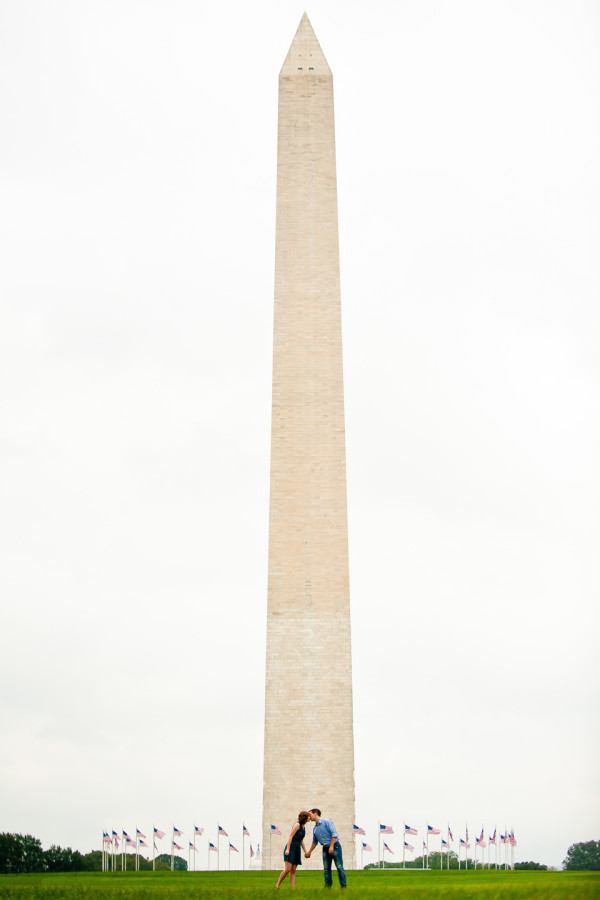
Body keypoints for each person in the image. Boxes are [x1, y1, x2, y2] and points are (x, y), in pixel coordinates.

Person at [305, 808, 347, 888]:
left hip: (335, 846)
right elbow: (314, 842)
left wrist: (331, 846)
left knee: (339, 867)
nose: (309, 817)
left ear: (315, 814)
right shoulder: (315, 828)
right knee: (326, 869)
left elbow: (334, 834)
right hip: (325, 848)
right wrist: (309, 852)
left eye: (310, 814)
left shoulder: (327, 822)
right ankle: (328, 886)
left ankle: (343, 885)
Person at [275, 811, 309, 889]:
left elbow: (301, 841)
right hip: (291, 847)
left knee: (293, 870)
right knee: (288, 869)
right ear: (305, 817)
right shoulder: (297, 825)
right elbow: (290, 836)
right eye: (308, 816)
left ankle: (292, 889)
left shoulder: (303, 827)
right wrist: (288, 849)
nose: (310, 818)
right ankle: (278, 884)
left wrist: (305, 851)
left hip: (297, 848)